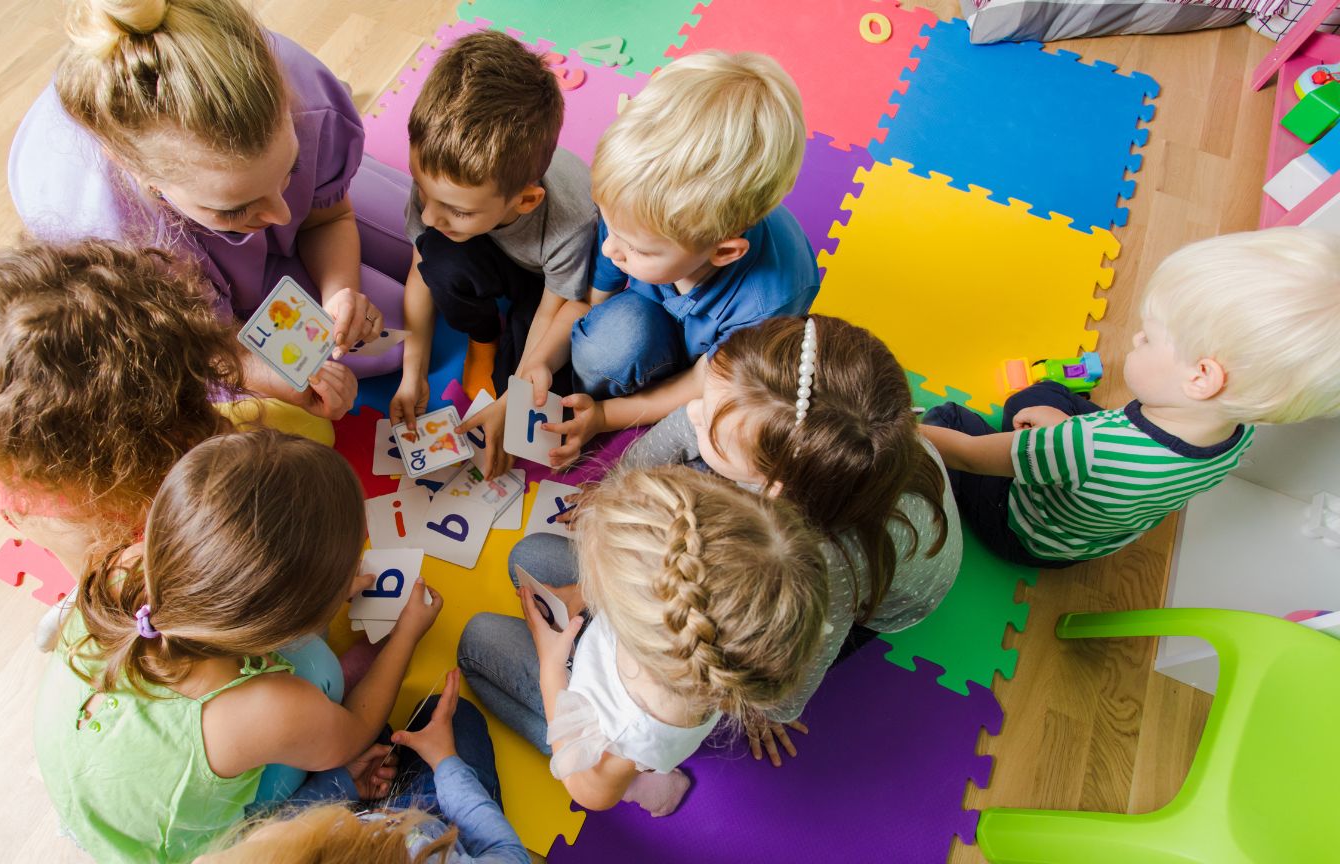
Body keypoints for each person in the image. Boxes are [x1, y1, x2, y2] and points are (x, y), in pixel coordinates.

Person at [0, 237, 352, 646]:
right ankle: (92, 606)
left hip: (135, 477)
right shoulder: (56, 503)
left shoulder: (156, 385)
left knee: (289, 454)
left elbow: (219, 411)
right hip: (125, 536)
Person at [34, 429, 443, 863]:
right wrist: (405, 635)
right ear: (288, 617)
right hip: (169, 848)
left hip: (87, 786)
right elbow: (355, 733)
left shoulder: (129, 563)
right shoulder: (266, 710)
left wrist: (314, 588)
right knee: (322, 672)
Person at [9, 0, 410, 414]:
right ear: (148, 179)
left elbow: (328, 216)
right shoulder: (112, 239)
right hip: (175, 297)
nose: (282, 215)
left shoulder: (300, 92)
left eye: (291, 168)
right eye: (236, 209)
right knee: (379, 347)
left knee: (416, 283)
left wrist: (339, 292)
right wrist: (262, 375)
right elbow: (197, 349)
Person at [618, 314, 961, 763]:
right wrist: (623, 487)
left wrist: (773, 712)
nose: (693, 412)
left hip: (875, 596)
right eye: (707, 390)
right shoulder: (822, 423)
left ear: (774, 487)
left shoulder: (821, 561)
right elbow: (679, 432)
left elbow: (806, 653)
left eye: (711, 428)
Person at [921, 227, 1340, 567]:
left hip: (1021, 532)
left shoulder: (1089, 445)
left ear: (1201, 378)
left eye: (1151, 337)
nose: (1136, 336)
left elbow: (971, 455)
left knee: (957, 419)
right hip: (1087, 540)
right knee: (1043, 399)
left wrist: (893, 426)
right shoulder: (1239, 432)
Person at [457, 466, 831, 817]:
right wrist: (585, 591)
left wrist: (551, 666)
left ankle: (637, 782)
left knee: (473, 644)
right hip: (623, 659)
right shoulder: (736, 610)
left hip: (595, 723)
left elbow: (588, 793)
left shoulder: (628, 729)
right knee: (527, 555)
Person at [542, 51, 818, 469]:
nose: (609, 249)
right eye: (608, 224)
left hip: (719, 364)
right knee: (609, 342)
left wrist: (604, 417)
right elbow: (598, 300)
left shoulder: (771, 299)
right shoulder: (631, 212)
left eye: (636, 248)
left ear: (723, 252)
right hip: (658, 323)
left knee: (733, 434)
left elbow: (704, 380)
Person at [387, 31, 598, 478]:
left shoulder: (571, 220)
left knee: (540, 392)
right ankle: (483, 339)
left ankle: (501, 356)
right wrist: (413, 373)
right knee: (439, 257)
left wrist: (510, 402)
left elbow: (554, 310)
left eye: (456, 210)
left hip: (543, 287)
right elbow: (420, 272)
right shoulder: (439, 179)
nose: (429, 212)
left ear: (525, 201)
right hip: (490, 250)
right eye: (423, 191)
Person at [197, 669, 530, 864]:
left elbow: (289, 827)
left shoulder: (261, 854)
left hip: (375, 821)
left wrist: (341, 783)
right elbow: (506, 851)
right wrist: (445, 761)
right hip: (442, 832)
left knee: (372, 735)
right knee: (452, 716)